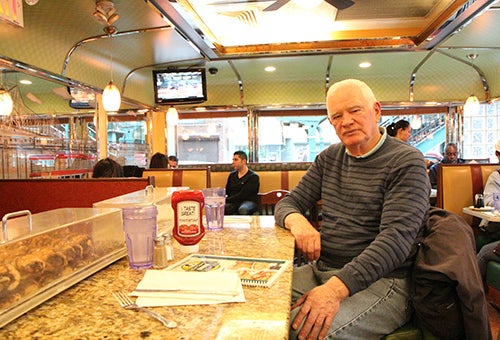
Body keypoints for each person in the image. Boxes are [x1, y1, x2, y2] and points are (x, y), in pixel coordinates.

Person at [274, 79, 430, 339]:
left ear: (377, 111)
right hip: (322, 269)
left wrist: (334, 290)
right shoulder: (329, 158)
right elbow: (287, 203)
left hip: (384, 282)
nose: (346, 121)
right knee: (256, 300)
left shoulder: (406, 161)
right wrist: (298, 222)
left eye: (355, 110)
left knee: (295, 330)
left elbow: (395, 242)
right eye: (336, 116)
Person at [224, 150, 260, 215]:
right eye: (233, 160)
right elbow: (227, 191)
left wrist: (226, 200)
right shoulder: (232, 175)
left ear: (244, 161)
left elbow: (243, 195)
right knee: (223, 208)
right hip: (233, 202)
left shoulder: (253, 177)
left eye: (236, 160)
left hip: (248, 201)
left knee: (243, 209)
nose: (233, 162)